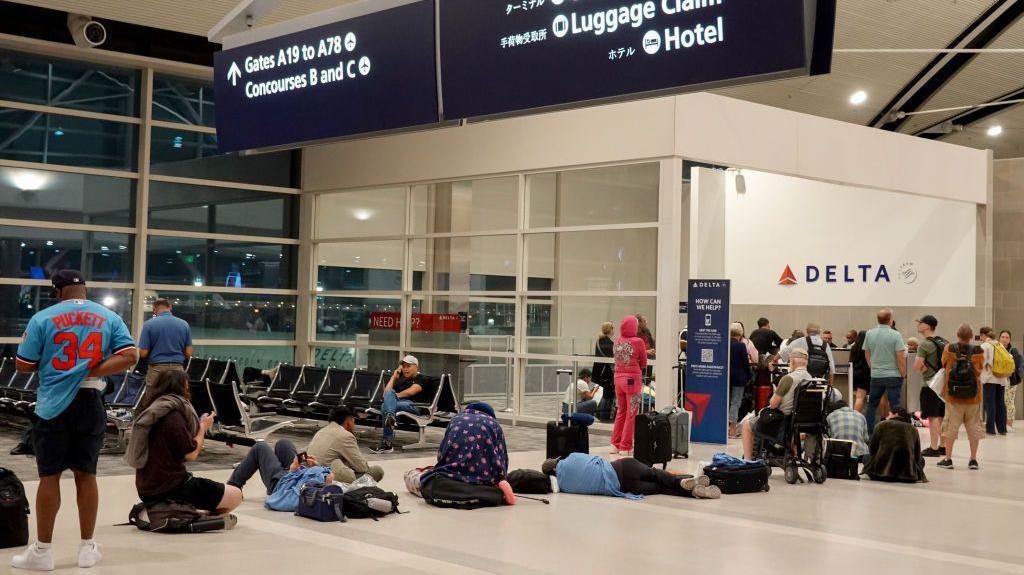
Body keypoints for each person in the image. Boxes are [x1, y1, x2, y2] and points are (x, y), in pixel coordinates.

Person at [12, 270, 138, 571]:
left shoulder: (43, 318)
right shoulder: (108, 317)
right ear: (85, 290)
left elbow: (23, 364)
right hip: (90, 402)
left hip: (53, 405)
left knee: (49, 476)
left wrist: (58, 367)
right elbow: (130, 355)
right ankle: (87, 548)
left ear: (57, 292)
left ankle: (42, 551)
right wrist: (89, 371)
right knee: (86, 474)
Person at [127, 369, 241, 519]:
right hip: (171, 486)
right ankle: (193, 515)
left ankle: (180, 510)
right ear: (182, 388)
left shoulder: (153, 410)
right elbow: (191, 454)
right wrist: (203, 427)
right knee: (236, 495)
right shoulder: (174, 416)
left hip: (146, 487)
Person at [420, 403, 515, 507]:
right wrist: (501, 478)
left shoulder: (455, 420)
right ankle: (485, 493)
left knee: (420, 477)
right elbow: (502, 458)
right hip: (484, 479)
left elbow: (442, 453)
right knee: (496, 486)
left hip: (450, 476)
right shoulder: (494, 424)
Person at [541, 453, 721, 500]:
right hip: (622, 467)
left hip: (624, 488)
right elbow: (595, 459)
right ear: (556, 462)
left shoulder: (564, 486)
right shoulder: (571, 457)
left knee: (660, 488)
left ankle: (694, 492)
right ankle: (683, 480)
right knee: (656, 474)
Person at [742, 348, 813, 459]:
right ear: (806, 362)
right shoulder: (810, 379)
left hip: (781, 422)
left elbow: (774, 404)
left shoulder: (787, 379)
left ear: (792, 362)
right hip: (800, 422)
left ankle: (747, 460)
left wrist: (775, 392)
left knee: (746, 425)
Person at [936, 324, 985, 470]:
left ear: (957, 335)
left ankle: (948, 458)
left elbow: (943, 363)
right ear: (971, 337)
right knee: (973, 428)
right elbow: (981, 368)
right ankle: (973, 460)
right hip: (973, 397)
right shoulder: (979, 350)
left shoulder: (949, 348)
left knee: (951, 427)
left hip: (953, 396)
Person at [306, 406, 385, 483]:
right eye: (354, 421)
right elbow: (362, 467)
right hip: (328, 478)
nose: (354, 424)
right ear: (348, 422)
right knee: (376, 471)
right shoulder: (346, 436)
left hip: (310, 474)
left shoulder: (321, 431)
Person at [227, 438, 331, 494]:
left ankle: (233, 486)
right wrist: (314, 467)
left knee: (260, 447)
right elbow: (327, 477)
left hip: (282, 485)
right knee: (284, 443)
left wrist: (294, 470)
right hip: (293, 477)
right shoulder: (324, 477)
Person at [373, 355, 431, 454]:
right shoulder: (400, 380)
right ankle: (390, 416)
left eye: (408, 366)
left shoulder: (422, 378)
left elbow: (411, 392)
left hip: (415, 407)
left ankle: (387, 443)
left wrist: (393, 397)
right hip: (399, 406)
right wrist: (393, 377)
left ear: (416, 367)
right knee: (385, 404)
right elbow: (385, 394)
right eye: (403, 366)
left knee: (386, 404)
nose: (405, 369)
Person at [863, 309, 907, 433]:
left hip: (876, 375)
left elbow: (867, 354)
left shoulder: (869, 333)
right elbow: (900, 356)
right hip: (893, 375)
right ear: (890, 320)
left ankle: (870, 433)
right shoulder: (895, 335)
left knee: (872, 405)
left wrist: (874, 368)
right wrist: (903, 373)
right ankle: (895, 432)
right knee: (895, 406)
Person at [611, 315, 647, 456]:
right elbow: (643, 362)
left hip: (618, 379)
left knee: (621, 411)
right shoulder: (638, 341)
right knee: (632, 414)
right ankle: (625, 446)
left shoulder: (617, 341)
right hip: (632, 380)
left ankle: (615, 444)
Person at [862, 407, 927, 483]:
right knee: (922, 460)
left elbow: (872, 450)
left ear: (896, 414)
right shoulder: (913, 429)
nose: (886, 417)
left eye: (889, 414)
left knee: (866, 457)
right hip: (907, 475)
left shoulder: (881, 425)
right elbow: (917, 455)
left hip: (879, 473)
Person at [138, 298, 192, 386]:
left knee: (154, 397)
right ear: (170, 307)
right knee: (178, 397)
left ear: (154, 310)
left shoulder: (149, 324)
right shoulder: (184, 324)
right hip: (178, 370)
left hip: (157, 369)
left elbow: (143, 353)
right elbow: (188, 353)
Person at [913, 315, 947, 457]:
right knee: (942, 416)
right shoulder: (944, 342)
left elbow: (916, 366)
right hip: (943, 384)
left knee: (932, 417)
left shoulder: (925, 344)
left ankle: (933, 448)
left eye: (920, 323)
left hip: (930, 385)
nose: (918, 325)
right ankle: (943, 446)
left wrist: (923, 368)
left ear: (927, 326)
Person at [979, 327, 1009, 435]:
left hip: (989, 378)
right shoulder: (1000, 345)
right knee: (1000, 404)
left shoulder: (984, 346)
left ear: (983, 335)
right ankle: (1002, 429)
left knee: (990, 404)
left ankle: (990, 429)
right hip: (1001, 378)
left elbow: (982, 362)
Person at [729, 324, 751, 438]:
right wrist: (749, 376)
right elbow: (746, 364)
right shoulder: (741, 346)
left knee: (727, 403)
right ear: (740, 333)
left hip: (726, 378)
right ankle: (732, 430)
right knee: (735, 403)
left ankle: (725, 428)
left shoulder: (725, 344)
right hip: (739, 378)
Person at [592, 322, 616, 421]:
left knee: (606, 394)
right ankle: (604, 415)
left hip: (599, 371)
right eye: (613, 328)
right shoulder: (610, 344)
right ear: (610, 330)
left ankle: (602, 414)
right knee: (609, 394)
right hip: (607, 373)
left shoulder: (599, 341)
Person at [1000, 330, 1021, 432]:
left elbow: (1016, 366)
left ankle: (1009, 425)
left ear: (1010, 339)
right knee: (1001, 402)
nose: (1004, 339)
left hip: (1010, 380)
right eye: (1003, 337)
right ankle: (1001, 424)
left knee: (1009, 402)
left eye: (1007, 337)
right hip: (999, 380)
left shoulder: (1013, 350)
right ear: (999, 338)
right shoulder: (997, 350)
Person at [850, 330, 871, 414]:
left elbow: (851, 361)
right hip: (865, 374)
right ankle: (856, 416)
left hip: (855, 373)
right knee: (860, 398)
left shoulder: (854, 347)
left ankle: (855, 415)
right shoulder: (867, 348)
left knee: (857, 397)